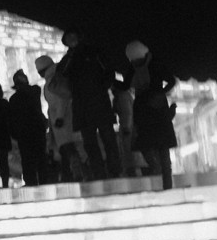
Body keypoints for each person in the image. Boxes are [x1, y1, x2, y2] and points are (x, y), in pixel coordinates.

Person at [56, 28, 122, 180]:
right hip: (82, 106)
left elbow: (109, 71)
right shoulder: (68, 58)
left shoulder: (94, 52)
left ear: (79, 37)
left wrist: (102, 87)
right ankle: (99, 172)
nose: (71, 39)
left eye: (73, 36)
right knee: (90, 142)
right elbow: (62, 73)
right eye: (68, 38)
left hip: (99, 102)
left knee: (108, 138)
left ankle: (114, 170)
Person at [120, 40, 178, 189]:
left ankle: (167, 185)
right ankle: (159, 174)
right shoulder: (134, 68)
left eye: (137, 59)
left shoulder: (154, 64)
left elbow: (171, 80)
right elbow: (125, 85)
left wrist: (160, 93)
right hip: (144, 109)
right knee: (146, 143)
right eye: (133, 60)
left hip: (155, 107)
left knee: (162, 147)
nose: (135, 62)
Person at [36, 56, 85, 182]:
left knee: (67, 148)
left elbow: (60, 100)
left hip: (62, 120)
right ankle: (68, 175)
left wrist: (59, 117)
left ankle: (76, 172)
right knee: (67, 149)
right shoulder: (58, 76)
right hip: (67, 117)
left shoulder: (52, 81)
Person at [8, 69, 49, 186]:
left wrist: (14, 133)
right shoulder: (33, 91)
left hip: (26, 133)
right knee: (38, 158)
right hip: (35, 131)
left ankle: (32, 182)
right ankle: (41, 181)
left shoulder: (17, 97)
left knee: (29, 159)